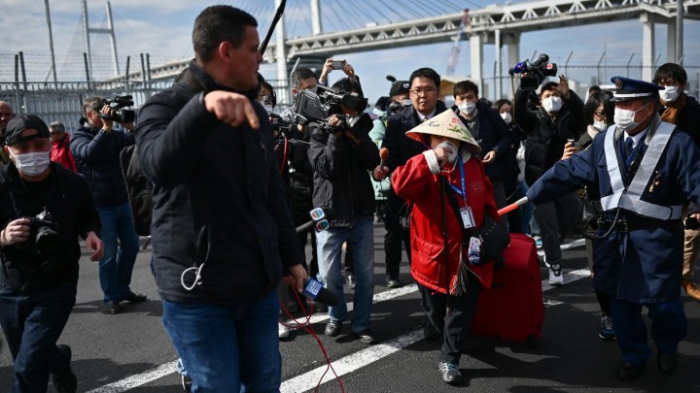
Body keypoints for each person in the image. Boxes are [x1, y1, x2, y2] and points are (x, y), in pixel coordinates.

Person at [136, 6, 307, 391]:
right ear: (226, 51)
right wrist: (201, 110)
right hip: (199, 292)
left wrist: (292, 256)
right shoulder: (165, 106)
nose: (261, 57)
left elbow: (271, 194)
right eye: (253, 48)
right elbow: (156, 167)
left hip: (257, 286)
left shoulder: (256, 115)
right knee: (217, 387)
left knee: (265, 382)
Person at [526, 76, 699, 381]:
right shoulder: (605, 141)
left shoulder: (677, 142)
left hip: (656, 237)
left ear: (649, 107)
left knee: (664, 304)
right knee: (620, 302)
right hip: (612, 236)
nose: (618, 109)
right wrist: (531, 195)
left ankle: (668, 345)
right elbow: (570, 171)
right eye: (617, 103)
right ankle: (634, 354)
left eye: (626, 103)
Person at [392, 109, 499, 385]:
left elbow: (488, 204)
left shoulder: (474, 166)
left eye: (451, 138)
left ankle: (450, 356)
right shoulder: (423, 166)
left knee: (463, 308)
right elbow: (400, 185)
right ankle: (446, 333)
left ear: (462, 141)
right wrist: (430, 161)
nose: (446, 143)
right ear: (430, 140)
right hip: (431, 256)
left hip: (468, 253)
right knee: (434, 309)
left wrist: (492, 236)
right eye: (438, 138)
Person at [0, 114, 103, 393]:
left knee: (28, 365)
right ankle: (59, 360)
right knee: (30, 353)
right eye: (22, 148)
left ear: (50, 143)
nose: (33, 153)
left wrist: (92, 234)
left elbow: (88, 217)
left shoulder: (73, 183)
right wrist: (3, 237)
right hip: (11, 286)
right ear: (8, 150)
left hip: (58, 282)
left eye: (40, 144)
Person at [308, 78, 379, 345]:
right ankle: (336, 314)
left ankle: (362, 323)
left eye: (356, 101)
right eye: (347, 100)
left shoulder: (360, 128)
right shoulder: (318, 129)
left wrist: (355, 136)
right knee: (328, 275)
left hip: (360, 211)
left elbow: (372, 160)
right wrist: (335, 136)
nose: (352, 108)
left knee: (366, 275)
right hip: (329, 212)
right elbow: (325, 167)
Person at [374, 67, 449, 291]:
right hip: (409, 197)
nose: (422, 95)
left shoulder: (450, 119)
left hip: (443, 195)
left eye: (428, 89)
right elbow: (391, 156)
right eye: (417, 90)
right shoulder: (397, 122)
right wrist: (383, 169)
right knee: (412, 247)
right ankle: (425, 295)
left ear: (438, 91)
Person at [70, 97, 145, 315]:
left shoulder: (116, 134)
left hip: (123, 201)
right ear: (90, 113)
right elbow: (88, 154)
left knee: (131, 247)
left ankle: (123, 289)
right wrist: (106, 129)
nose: (108, 114)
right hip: (100, 206)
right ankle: (111, 297)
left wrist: (131, 128)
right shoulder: (79, 136)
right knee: (109, 254)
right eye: (102, 111)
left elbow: (140, 144)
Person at [514, 76, 585, 286]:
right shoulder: (533, 119)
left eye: (556, 95)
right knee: (548, 222)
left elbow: (582, 116)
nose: (552, 98)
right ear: (539, 101)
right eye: (548, 95)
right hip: (539, 181)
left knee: (573, 209)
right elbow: (519, 110)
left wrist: (569, 96)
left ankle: (552, 242)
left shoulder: (567, 118)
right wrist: (524, 89)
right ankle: (555, 265)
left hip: (563, 179)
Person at [564, 91, 617, 340]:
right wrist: (565, 163)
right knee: (597, 270)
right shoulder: (582, 141)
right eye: (598, 114)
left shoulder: (625, 139)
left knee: (623, 268)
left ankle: (624, 313)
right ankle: (607, 314)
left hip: (622, 214)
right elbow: (568, 180)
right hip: (594, 217)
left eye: (607, 114)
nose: (603, 119)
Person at [653, 63, 700, 302]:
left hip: (687, 183)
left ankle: (684, 277)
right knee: (659, 236)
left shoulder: (693, 111)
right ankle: (661, 280)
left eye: (670, 83)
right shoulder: (648, 108)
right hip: (656, 184)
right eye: (661, 83)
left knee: (691, 230)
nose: (665, 88)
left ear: (682, 85)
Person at [452, 80, 511, 218]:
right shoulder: (451, 120)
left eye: (470, 97)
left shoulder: (490, 114)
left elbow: (506, 138)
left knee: (499, 213)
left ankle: (502, 237)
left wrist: (495, 151)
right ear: (455, 101)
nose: (466, 102)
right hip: (464, 176)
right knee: (471, 216)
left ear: (476, 98)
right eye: (461, 98)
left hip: (492, 174)